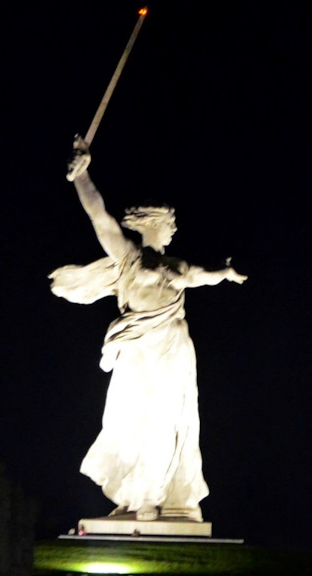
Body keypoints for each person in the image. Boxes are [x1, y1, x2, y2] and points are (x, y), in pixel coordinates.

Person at [50, 140, 246, 522]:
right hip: (138, 347)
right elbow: (99, 217)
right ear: (156, 226)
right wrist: (82, 176)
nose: (172, 233)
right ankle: (134, 493)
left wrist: (226, 274)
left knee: (167, 421)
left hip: (172, 346)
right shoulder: (128, 258)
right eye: (170, 226)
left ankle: (153, 498)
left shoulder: (178, 264)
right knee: (130, 418)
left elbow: (204, 277)